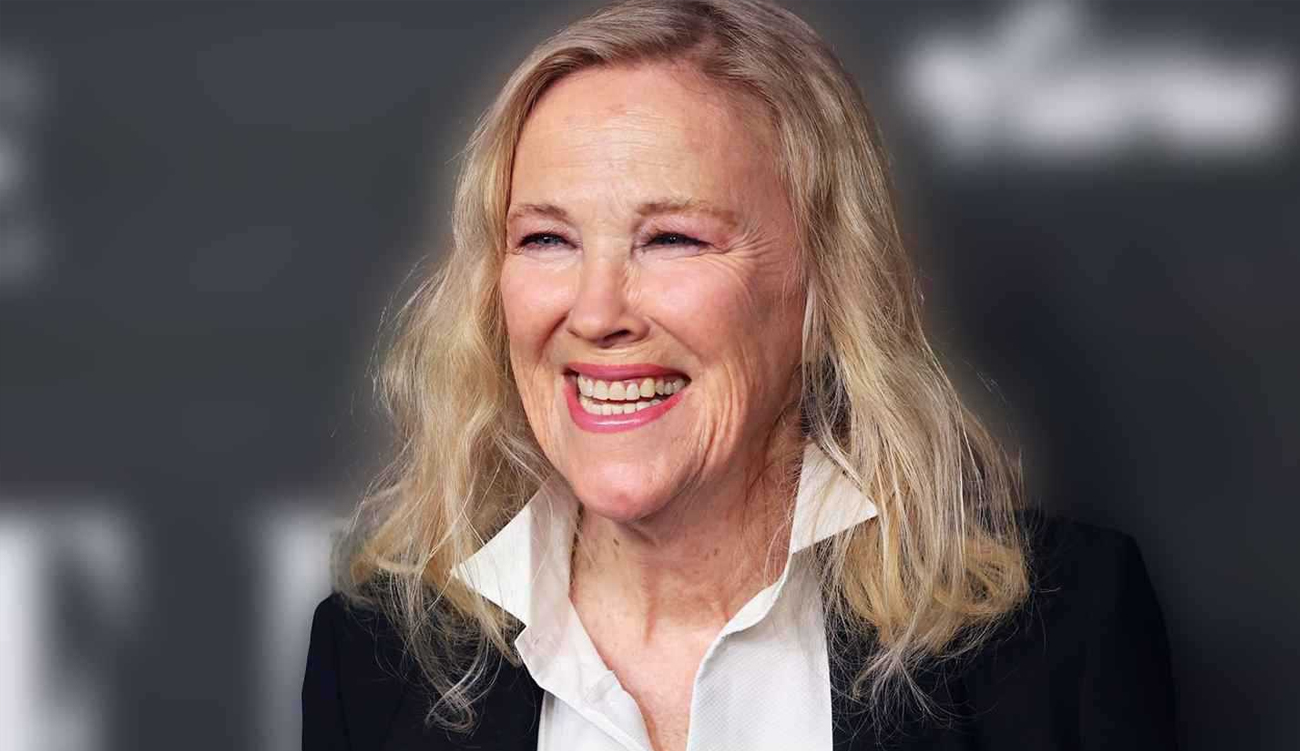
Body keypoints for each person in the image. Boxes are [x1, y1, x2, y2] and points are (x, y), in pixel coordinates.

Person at [301, 1, 1179, 749]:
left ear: (828, 285)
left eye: (672, 238)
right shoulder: (370, 664)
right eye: (546, 238)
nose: (597, 311)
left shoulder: (1061, 634)